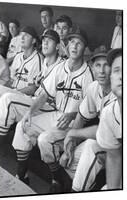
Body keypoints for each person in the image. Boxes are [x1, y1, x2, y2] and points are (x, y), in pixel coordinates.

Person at [12, 29, 94, 193]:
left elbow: (90, 114)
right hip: (57, 115)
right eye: (71, 42)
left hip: (74, 123)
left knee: (44, 139)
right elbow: (44, 95)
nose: (74, 46)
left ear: (85, 48)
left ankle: (57, 179)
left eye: (79, 43)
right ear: (67, 45)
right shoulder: (60, 67)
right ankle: (21, 175)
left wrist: (72, 114)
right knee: (22, 126)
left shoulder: (88, 75)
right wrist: (30, 112)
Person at [0, 29, 63, 155]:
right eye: (44, 41)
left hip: (49, 106)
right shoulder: (46, 62)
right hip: (36, 101)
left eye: (49, 41)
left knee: (8, 100)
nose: (45, 44)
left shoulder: (61, 65)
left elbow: (40, 92)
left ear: (57, 46)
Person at [61, 46, 116, 192]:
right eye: (98, 65)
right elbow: (81, 117)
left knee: (91, 145)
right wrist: (70, 144)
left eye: (107, 65)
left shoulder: (120, 92)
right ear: (92, 67)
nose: (102, 71)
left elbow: (105, 132)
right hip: (109, 144)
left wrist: (73, 134)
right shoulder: (94, 87)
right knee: (70, 162)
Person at [96, 48, 122, 189]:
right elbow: (114, 157)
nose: (122, 76)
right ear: (110, 78)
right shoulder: (109, 113)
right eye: (117, 70)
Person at [0, 26, 43, 97]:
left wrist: (13, 93)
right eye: (21, 35)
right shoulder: (18, 56)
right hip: (13, 93)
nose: (22, 38)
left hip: (26, 97)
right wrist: (5, 88)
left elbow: (33, 88)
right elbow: (11, 80)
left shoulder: (38, 59)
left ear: (33, 41)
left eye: (26, 35)